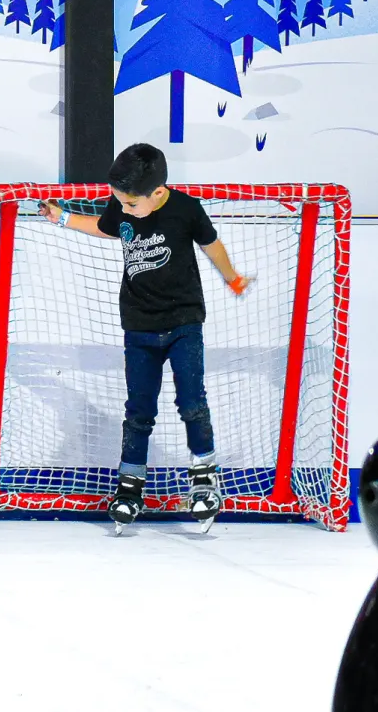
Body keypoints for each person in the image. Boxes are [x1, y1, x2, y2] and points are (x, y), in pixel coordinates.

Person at [40, 143, 250, 530]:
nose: (123, 209)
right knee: (139, 410)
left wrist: (232, 278)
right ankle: (130, 485)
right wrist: (63, 217)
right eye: (119, 202)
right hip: (138, 326)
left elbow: (211, 245)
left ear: (157, 192)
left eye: (131, 204)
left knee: (192, 402)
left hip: (184, 322)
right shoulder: (123, 205)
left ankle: (204, 478)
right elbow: (104, 227)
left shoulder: (185, 209)